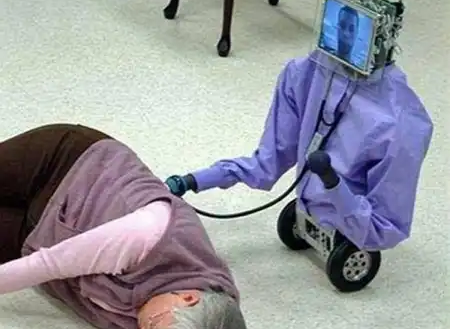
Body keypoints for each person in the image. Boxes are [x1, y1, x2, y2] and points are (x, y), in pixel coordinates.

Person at [0, 124, 251, 329]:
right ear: (187, 298)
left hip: (36, 234)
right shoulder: (149, 235)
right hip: (65, 167)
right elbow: (49, 263)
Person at [166, 51, 434, 252]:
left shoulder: (400, 124)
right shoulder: (305, 72)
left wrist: (334, 186)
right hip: (317, 194)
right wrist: (193, 180)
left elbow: (383, 225)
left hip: (350, 214)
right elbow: (268, 161)